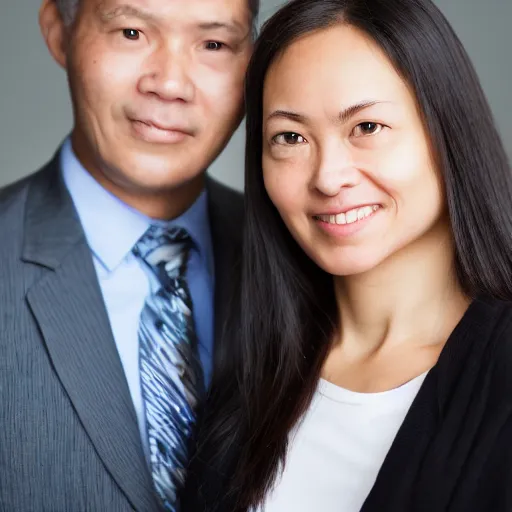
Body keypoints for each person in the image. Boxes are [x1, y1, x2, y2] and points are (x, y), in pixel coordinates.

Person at [181, 0, 512, 511]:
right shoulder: (245, 383)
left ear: (446, 126)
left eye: (367, 128)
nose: (328, 176)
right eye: (290, 138)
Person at [0, 0, 258, 510]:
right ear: (58, 32)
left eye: (213, 44)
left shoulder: (309, 266)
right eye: (133, 32)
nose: (170, 83)